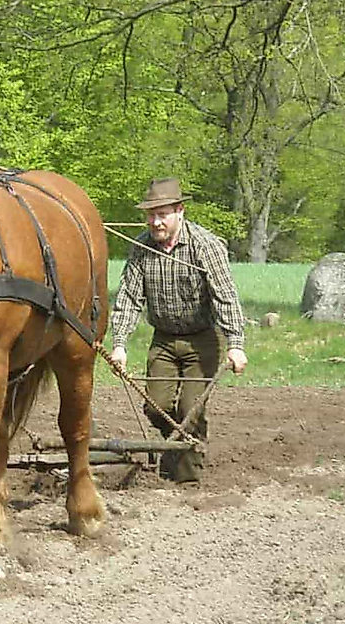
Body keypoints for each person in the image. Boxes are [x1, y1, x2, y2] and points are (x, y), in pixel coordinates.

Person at [109, 178, 248, 483]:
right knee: (156, 408)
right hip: (164, 341)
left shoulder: (205, 246)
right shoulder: (141, 248)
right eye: (151, 215)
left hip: (201, 342)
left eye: (163, 214)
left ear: (180, 211)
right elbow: (130, 298)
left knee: (189, 411)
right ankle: (176, 449)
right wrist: (119, 344)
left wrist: (236, 344)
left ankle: (186, 481)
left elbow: (225, 297)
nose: (156, 222)